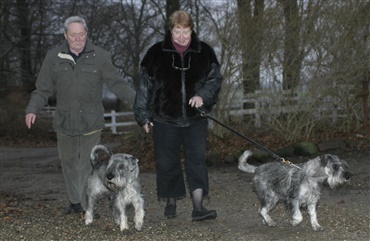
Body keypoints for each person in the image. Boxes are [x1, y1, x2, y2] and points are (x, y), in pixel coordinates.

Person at [25, 16, 130, 215]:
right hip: (64, 121)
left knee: (85, 164)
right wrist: (33, 109)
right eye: (73, 35)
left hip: (91, 121)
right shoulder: (53, 56)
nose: (78, 38)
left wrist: (139, 103)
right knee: (69, 163)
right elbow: (42, 89)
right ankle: (75, 203)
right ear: (65, 35)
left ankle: (86, 205)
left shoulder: (100, 56)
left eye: (81, 34)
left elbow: (118, 83)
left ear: (86, 34)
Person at [133, 10, 222, 221]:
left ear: (192, 30)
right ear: (170, 30)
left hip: (195, 119)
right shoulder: (155, 53)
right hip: (164, 118)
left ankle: (198, 207)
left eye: (186, 31)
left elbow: (214, 80)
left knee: (196, 160)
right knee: (167, 161)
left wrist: (203, 96)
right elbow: (144, 87)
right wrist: (143, 116)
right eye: (177, 31)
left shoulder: (205, 52)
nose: (181, 36)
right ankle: (171, 201)